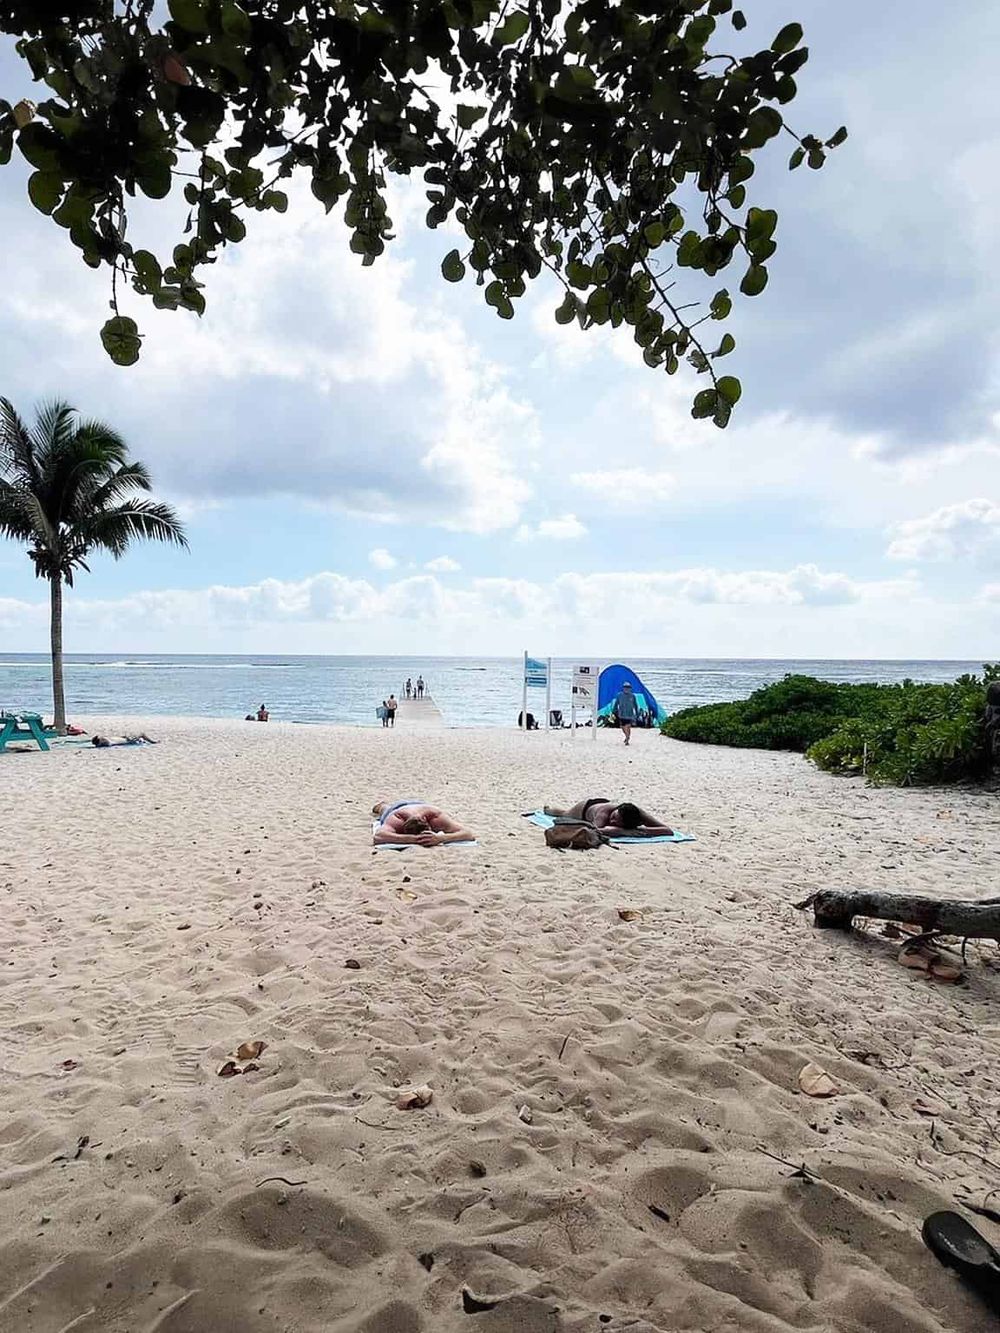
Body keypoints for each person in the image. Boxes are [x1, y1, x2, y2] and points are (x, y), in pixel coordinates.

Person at [543, 797, 673, 837]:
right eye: (614, 817)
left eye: (617, 822)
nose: (612, 821)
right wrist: (621, 831)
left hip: (600, 804)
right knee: (564, 814)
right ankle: (548, 810)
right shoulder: (604, 814)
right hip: (584, 808)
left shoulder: (638, 813)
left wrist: (645, 830)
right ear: (617, 809)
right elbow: (595, 830)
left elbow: (668, 830)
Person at [372, 800, 475, 846]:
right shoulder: (397, 819)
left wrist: (441, 838)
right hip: (396, 808)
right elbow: (378, 836)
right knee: (384, 809)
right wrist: (413, 840)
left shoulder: (436, 818)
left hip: (421, 804)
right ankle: (382, 805)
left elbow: (469, 833)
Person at [92, 732, 157, 747]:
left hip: (125, 739)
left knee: (141, 736)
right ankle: (152, 742)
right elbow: (109, 743)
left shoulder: (105, 740)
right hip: (127, 740)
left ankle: (152, 742)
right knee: (142, 735)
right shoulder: (106, 741)